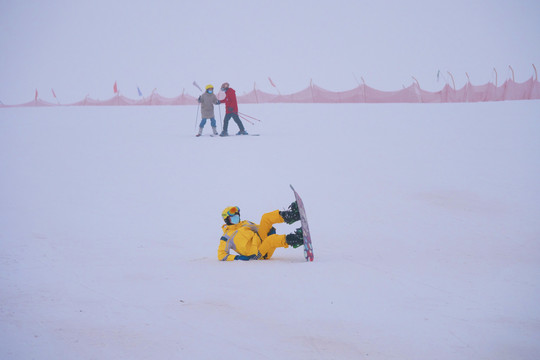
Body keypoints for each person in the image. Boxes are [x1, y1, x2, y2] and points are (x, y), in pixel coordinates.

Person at [218, 202, 304, 261]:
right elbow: (221, 255)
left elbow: (260, 228)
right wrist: (237, 257)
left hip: (260, 240)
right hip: (257, 254)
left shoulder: (245, 223)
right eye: (232, 217)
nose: (236, 217)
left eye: (237, 215)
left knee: (265, 218)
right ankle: (297, 239)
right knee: (270, 240)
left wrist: (269, 229)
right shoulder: (226, 236)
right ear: (227, 220)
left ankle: (292, 215)